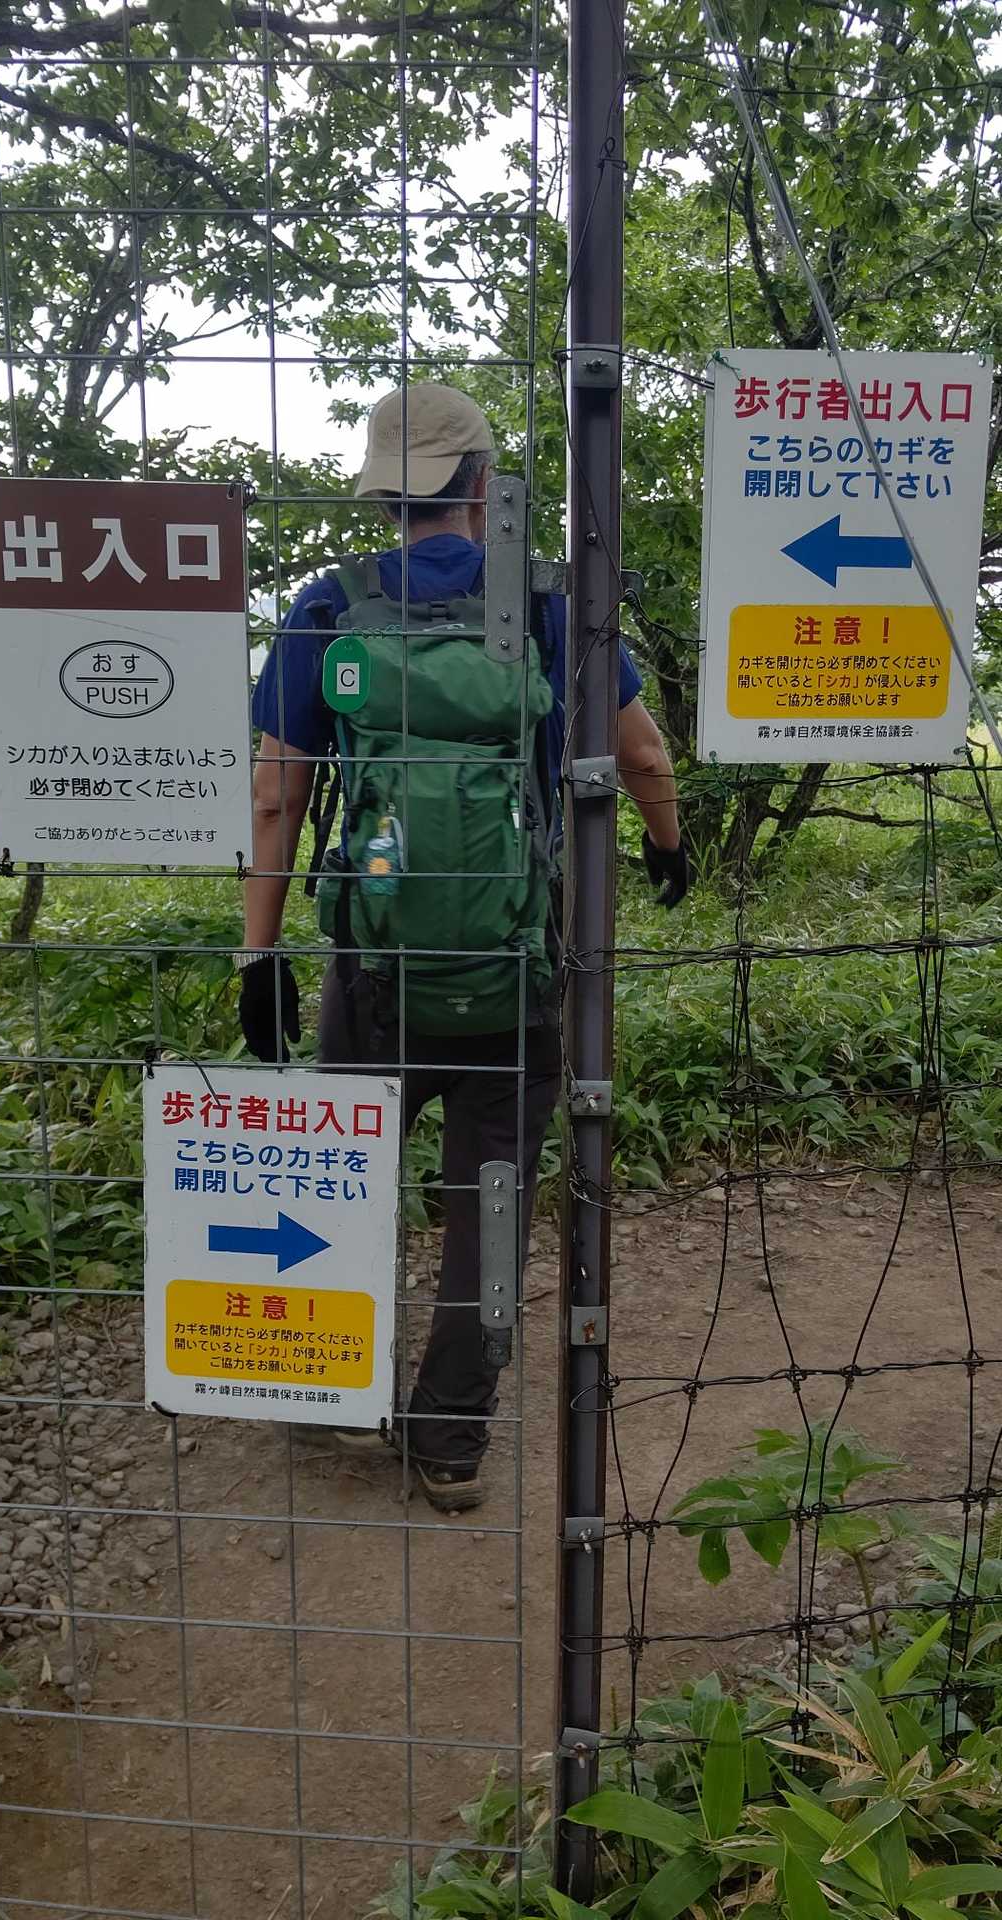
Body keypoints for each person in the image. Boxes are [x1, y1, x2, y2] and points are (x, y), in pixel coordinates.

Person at [235, 382, 686, 1512]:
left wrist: (259, 956)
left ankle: (326, 1390)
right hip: (512, 968)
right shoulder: (547, 605)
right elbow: (642, 756)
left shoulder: (329, 605)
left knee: (338, 1180)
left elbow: (277, 797)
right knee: (492, 1204)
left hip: (373, 969)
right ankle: (450, 1440)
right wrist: (668, 845)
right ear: (484, 483)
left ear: (383, 497)